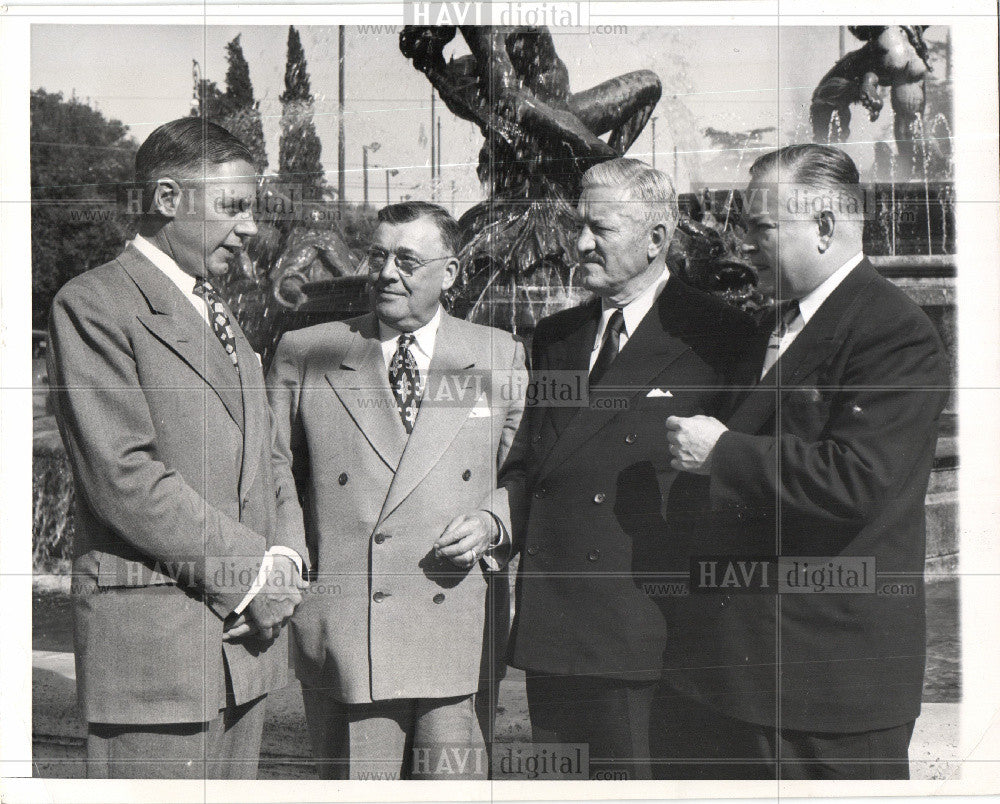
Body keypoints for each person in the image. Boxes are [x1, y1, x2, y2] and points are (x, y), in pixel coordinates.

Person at [662, 143, 950, 779]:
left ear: (824, 226)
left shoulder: (893, 330)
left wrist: (723, 454)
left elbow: (857, 479)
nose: (741, 245)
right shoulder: (773, 323)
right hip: (743, 677)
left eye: (760, 228)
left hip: (830, 690)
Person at [46, 118, 308, 778]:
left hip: (246, 652)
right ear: (166, 198)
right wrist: (254, 575)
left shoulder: (220, 312)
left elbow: (271, 457)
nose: (249, 228)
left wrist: (288, 566)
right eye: (233, 206)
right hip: (155, 665)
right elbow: (122, 475)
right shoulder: (94, 303)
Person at [499, 158, 756, 780]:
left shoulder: (720, 337)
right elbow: (536, 463)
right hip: (555, 633)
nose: (581, 243)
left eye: (601, 229)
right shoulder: (555, 337)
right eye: (578, 225)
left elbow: (742, 488)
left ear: (656, 240)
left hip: (653, 636)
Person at [266, 201, 527, 780]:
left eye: (407, 260)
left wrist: (493, 521)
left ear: (451, 273)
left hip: (457, 621)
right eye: (378, 256)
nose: (386, 272)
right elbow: (274, 468)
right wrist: (289, 558)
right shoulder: (308, 351)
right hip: (347, 625)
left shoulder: (496, 354)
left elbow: (525, 472)